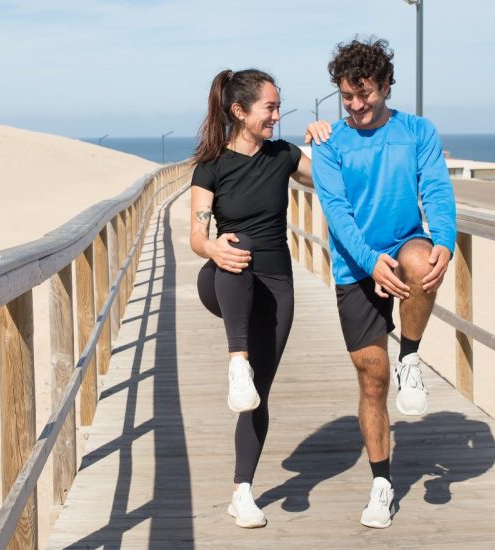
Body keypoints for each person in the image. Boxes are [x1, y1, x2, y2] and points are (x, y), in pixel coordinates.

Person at [304, 38, 456, 529]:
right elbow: (337, 213)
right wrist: (371, 263)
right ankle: (382, 482)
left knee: (422, 259)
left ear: (386, 86)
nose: (356, 105)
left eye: (365, 94)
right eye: (347, 96)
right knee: (372, 379)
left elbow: (434, 187)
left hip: (404, 243)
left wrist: (446, 241)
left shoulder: (417, 131)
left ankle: (410, 354)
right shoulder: (330, 144)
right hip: (356, 267)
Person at [189, 68, 313, 528]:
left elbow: (329, 181)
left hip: (276, 285)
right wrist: (213, 247)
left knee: (256, 396)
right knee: (236, 245)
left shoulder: (283, 156)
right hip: (224, 278)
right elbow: (197, 237)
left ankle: (242, 491)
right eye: (270, 107)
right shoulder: (212, 166)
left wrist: (329, 136)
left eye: (279, 107)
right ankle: (236, 358)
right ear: (240, 112)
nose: (277, 116)